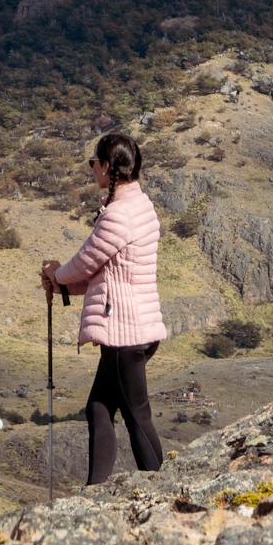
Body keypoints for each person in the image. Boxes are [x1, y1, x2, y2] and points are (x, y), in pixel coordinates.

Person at [40, 130, 166, 483]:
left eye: (94, 162)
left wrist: (57, 275)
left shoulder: (118, 215)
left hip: (124, 333)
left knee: (136, 415)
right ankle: (96, 489)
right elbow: (102, 271)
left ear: (109, 168)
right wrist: (62, 281)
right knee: (99, 407)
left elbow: (84, 263)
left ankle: (160, 487)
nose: (91, 168)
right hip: (136, 326)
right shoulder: (140, 206)